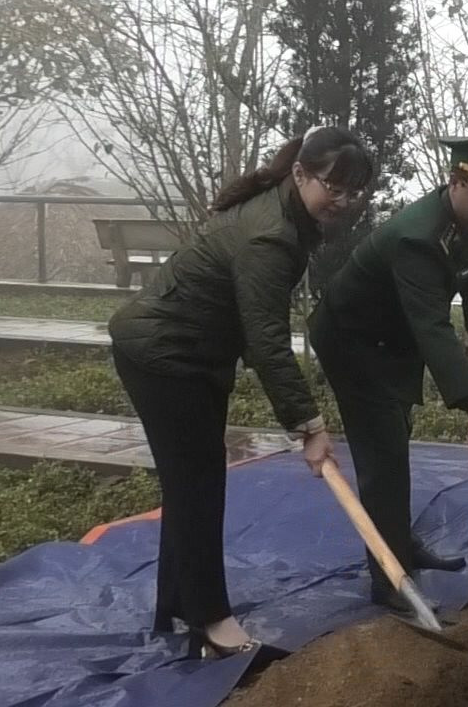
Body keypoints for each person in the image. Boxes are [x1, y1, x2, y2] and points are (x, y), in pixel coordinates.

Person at [107, 127, 371, 661]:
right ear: (300, 172)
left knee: (193, 483)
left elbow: (257, 336)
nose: (341, 202)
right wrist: (310, 427)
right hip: (164, 355)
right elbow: (267, 343)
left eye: (353, 192)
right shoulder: (269, 238)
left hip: (189, 353)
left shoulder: (285, 213)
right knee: (198, 485)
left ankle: (178, 604)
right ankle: (211, 622)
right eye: (333, 187)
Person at [308, 133, 468, 610]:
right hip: (353, 341)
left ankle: (400, 542)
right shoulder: (417, 237)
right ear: (458, 181)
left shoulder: (465, 219)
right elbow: (430, 323)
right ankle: (389, 577)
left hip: (392, 337)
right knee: (381, 453)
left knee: (396, 433)